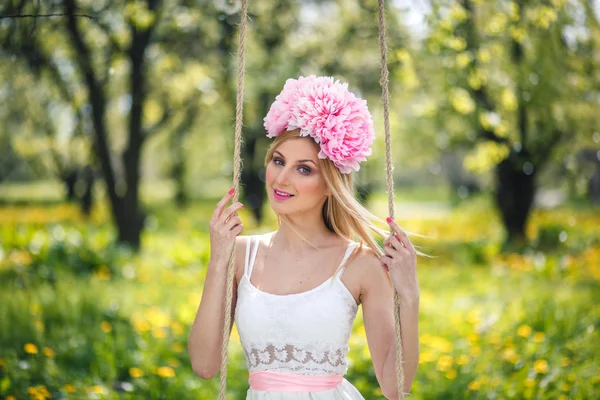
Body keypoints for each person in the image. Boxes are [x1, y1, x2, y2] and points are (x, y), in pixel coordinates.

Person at [189, 76, 420, 399]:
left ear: (330, 184)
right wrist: (217, 260)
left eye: (304, 169)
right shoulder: (241, 255)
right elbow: (204, 364)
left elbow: (395, 387)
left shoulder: (361, 264)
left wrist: (408, 296)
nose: (281, 179)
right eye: (279, 161)